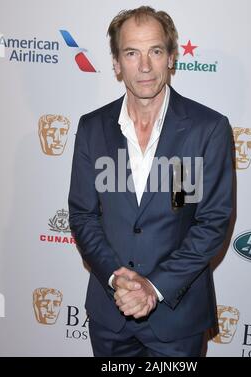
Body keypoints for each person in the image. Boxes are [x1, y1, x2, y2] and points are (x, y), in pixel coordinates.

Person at [68, 6, 233, 357]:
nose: (144, 66)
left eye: (155, 51)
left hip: (178, 318)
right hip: (110, 315)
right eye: (131, 53)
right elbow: (82, 215)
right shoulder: (91, 128)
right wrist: (117, 278)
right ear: (116, 63)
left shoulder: (208, 129)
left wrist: (153, 289)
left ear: (171, 58)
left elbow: (212, 222)